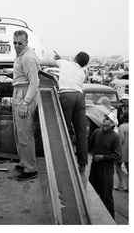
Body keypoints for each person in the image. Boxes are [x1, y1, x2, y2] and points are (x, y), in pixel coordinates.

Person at [41, 51, 90, 173]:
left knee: (64, 130)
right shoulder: (83, 72)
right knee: (81, 132)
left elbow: (47, 62)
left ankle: (65, 161)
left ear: (75, 57)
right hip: (79, 97)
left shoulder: (64, 63)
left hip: (66, 96)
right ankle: (82, 164)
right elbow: (72, 68)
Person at [11, 30, 40, 181]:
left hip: (24, 94)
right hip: (19, 91)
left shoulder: (27, 57)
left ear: (26, 42)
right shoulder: (21, 54)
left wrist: (25, 103)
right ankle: (24, 161)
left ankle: (30, 169)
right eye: (14, 42)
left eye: (20, 43)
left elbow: (35, 82)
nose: (16, 45)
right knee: (19, 132)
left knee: (25, 133)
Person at [88, 112, 121, 219]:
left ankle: (110, 221)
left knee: (106, 197)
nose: (104, 119)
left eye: (107, 118)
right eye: (105, 117)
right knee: (91, 194)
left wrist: (102, 157)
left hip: (106, 171)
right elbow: (88, 146)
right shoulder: (97, 132)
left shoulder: (115, 137)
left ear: (112, 124)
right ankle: (92, 218)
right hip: (95, 168)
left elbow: (117, 155)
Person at [115, 110, 129, 191]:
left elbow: (120, 140)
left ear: (123, 118)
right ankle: (129, 186)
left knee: (117, 165)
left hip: (122, 150)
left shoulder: (122, 127)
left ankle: (121, 184)